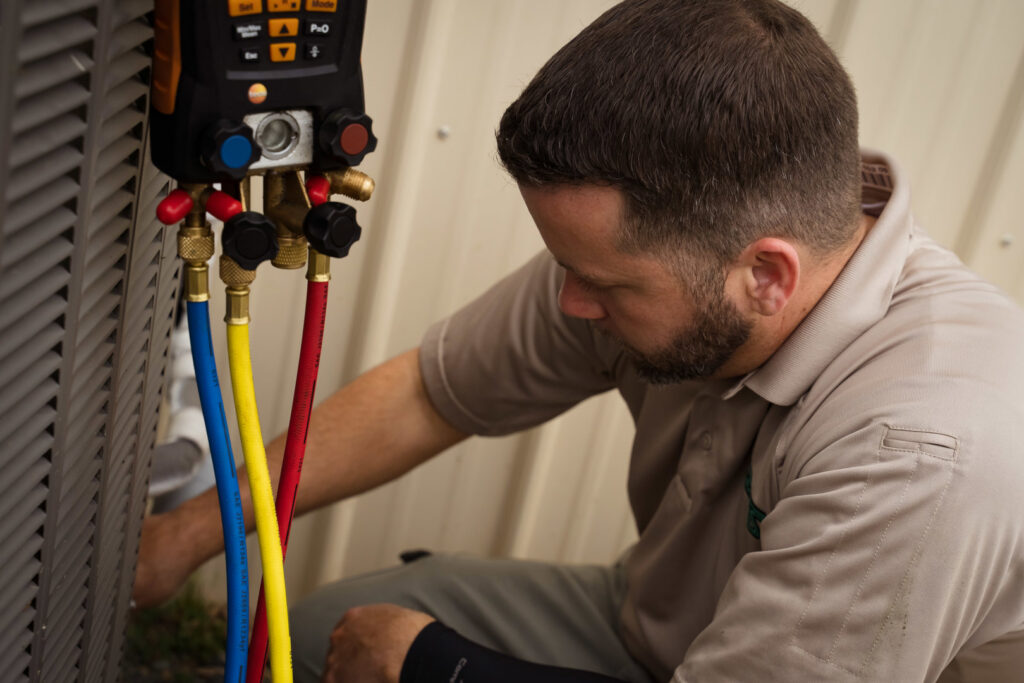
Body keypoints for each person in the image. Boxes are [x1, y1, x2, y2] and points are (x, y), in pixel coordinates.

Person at [134, 0, 1024, 681]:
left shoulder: (925, 451)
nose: (570, 303)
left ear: (768, 276)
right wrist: (180, 540)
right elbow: (429, 395)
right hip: (660, 629)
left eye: (601, 283)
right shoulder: (666, 257)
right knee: (341, 621)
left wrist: (444, 666)